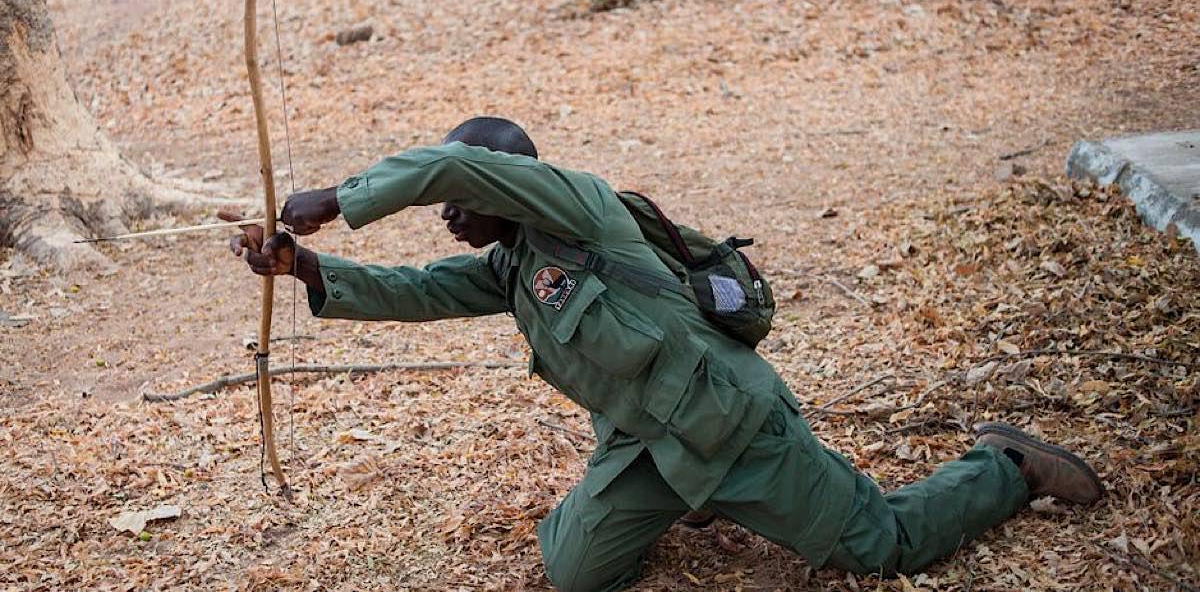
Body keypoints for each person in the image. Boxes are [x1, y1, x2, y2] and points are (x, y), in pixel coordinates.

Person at [226, 116, 1103, 591]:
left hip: (733, 425)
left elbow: (453, 172)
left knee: (879, 547)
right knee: (572, 571)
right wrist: (305, 265)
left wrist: (339, 198)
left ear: (511, 187)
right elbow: (420, 289)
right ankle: (686, 506)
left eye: (466, 197)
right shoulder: (513, 263)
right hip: (647, 446)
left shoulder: (581, 207)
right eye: (447, 205)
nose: (449, 216)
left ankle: (1004, 464)